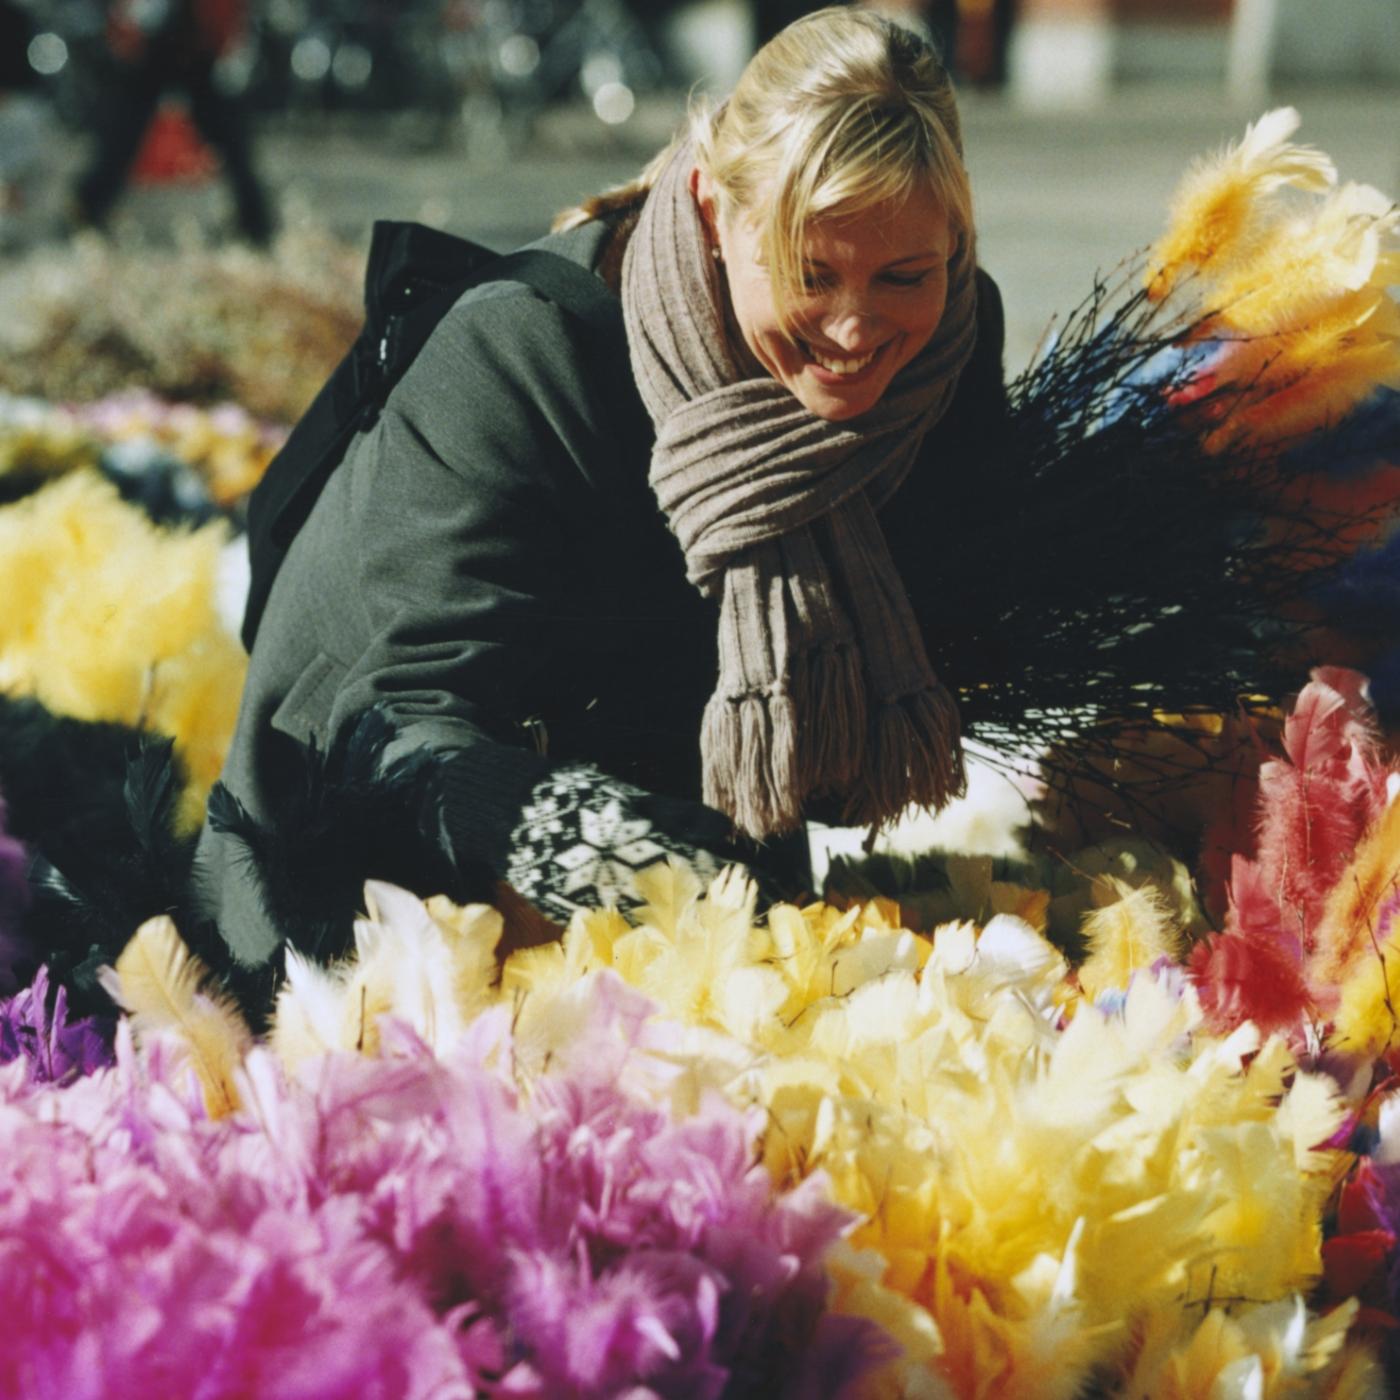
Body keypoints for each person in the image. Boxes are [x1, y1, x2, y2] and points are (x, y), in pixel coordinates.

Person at [199, 5, 1009, 969]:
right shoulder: (527, 351)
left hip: (685, 870)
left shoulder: (944, 352)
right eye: (811, 272)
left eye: (904, 275)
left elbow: (947, 606)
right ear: (715, 210)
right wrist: (594, 846)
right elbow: (394, 719)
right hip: (367, 885)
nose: (854, 327)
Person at [71, 0, 274, 245]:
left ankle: (256, 220)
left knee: (226, 131)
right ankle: (87, 207)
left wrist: (228, 37)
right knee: (125, 130)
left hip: (196, 36)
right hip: (157, 35)